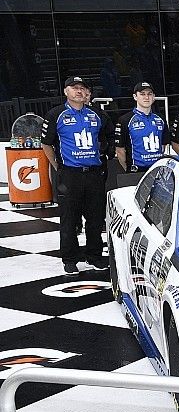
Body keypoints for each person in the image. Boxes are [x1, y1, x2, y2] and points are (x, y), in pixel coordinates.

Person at [41, 76, 113, 275]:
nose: (79, 91)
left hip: (93, 174)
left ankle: (94, 255)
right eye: (74, 88)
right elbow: (46, 143)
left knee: (95, 218)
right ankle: (70, 258)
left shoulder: (97, 115)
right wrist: (58, 166)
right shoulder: (56, 114)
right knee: (69, 218)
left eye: (82, 88)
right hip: (70, 175)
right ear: (66, 91)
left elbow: (106, 139)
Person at [115, 81, 167, 173]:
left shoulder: (161, 119)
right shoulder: (125, 119)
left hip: (157, 170)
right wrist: (128, 169)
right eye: (142, 94)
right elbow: (120, 150)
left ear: (153, 97)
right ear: (135, 97)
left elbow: (163, 145)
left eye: (149, 94)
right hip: (136, 171)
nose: (146, 97)